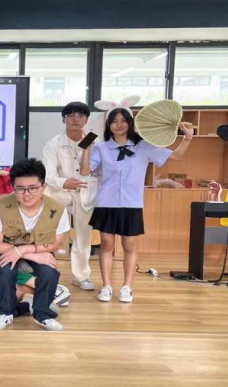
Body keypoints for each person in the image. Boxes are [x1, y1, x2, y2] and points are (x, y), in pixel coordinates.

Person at [81, 107, 194, 304]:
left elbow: (176, 156)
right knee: (106, 244)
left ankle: (127, 287)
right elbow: (84, 171)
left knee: (129, 245)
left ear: (130, 123)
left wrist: (188, 138)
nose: (118, 124)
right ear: (108, 125)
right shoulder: (101, 148)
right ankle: (106, 286)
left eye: (123, 120)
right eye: (114, 121)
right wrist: (86, 148)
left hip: (132, 203)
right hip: (107, 201)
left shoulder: (143, 146)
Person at [0, 158, 71, 332]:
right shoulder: (1, 206)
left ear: (43, 186)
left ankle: (43, 315)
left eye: (33, 188)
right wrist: (26, 253)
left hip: (40, 250)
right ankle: (5, 312)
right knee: (5, 270)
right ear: (13, 187)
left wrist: (24, 250)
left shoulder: (57, 209)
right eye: (20, 188)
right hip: (8, 249)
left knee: (49, 272)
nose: (26, 194)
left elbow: (56, 244)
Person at [42, 101, 99, 292]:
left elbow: (101, 170)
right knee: (40, 198)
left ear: (86, 120)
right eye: (71, 115)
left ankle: (81, 276)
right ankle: (42, 268)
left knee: (83, 235)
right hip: (62, 190)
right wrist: (64, 182)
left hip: (86, 191)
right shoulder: (53, 145)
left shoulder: (95, 142)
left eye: (80, 115)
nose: (76, 119)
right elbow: (48, 176)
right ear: (63, 119)